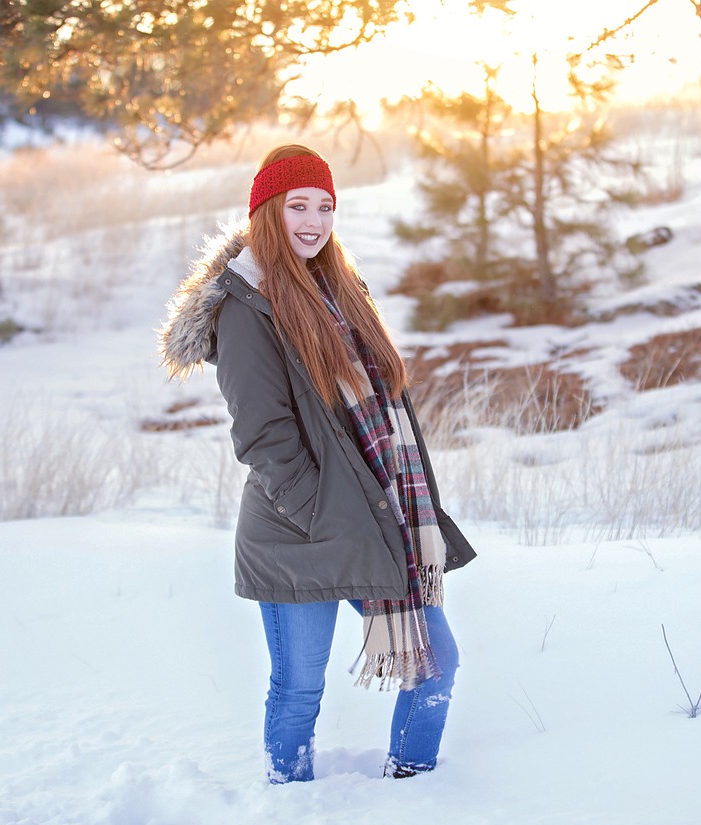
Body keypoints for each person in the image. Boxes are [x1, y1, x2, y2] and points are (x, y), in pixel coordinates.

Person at [157, 144, 475, 783]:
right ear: (265, 212)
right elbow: (264, 437)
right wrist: (322, 513)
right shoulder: (246, 307)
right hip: (296, 532)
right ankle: (289, 800)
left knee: (435, 659)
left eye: (325, 206)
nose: (313, 220)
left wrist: (372, 512)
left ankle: (414, 788)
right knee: (300, 687)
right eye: (297, 205)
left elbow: (387, 411)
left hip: (374, 516)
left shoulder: (343, 291)